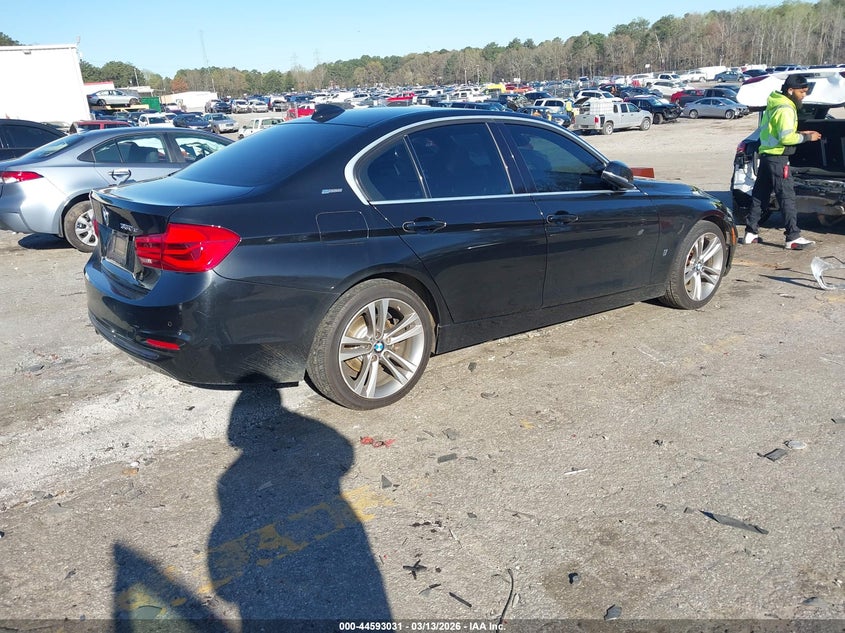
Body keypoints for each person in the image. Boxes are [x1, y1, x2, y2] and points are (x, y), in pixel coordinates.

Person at [744, 73, 823, 249]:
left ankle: (751, 232)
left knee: (759, 195)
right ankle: (792, 237)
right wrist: (807, 138)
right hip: (779, 158)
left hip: (766, 155)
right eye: (802, 92)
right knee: (786, 196)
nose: (804, 95)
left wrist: (801, 133)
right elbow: (786, 138)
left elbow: (775, 132)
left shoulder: (774, 103)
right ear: (790, 90)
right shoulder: (786, 108)